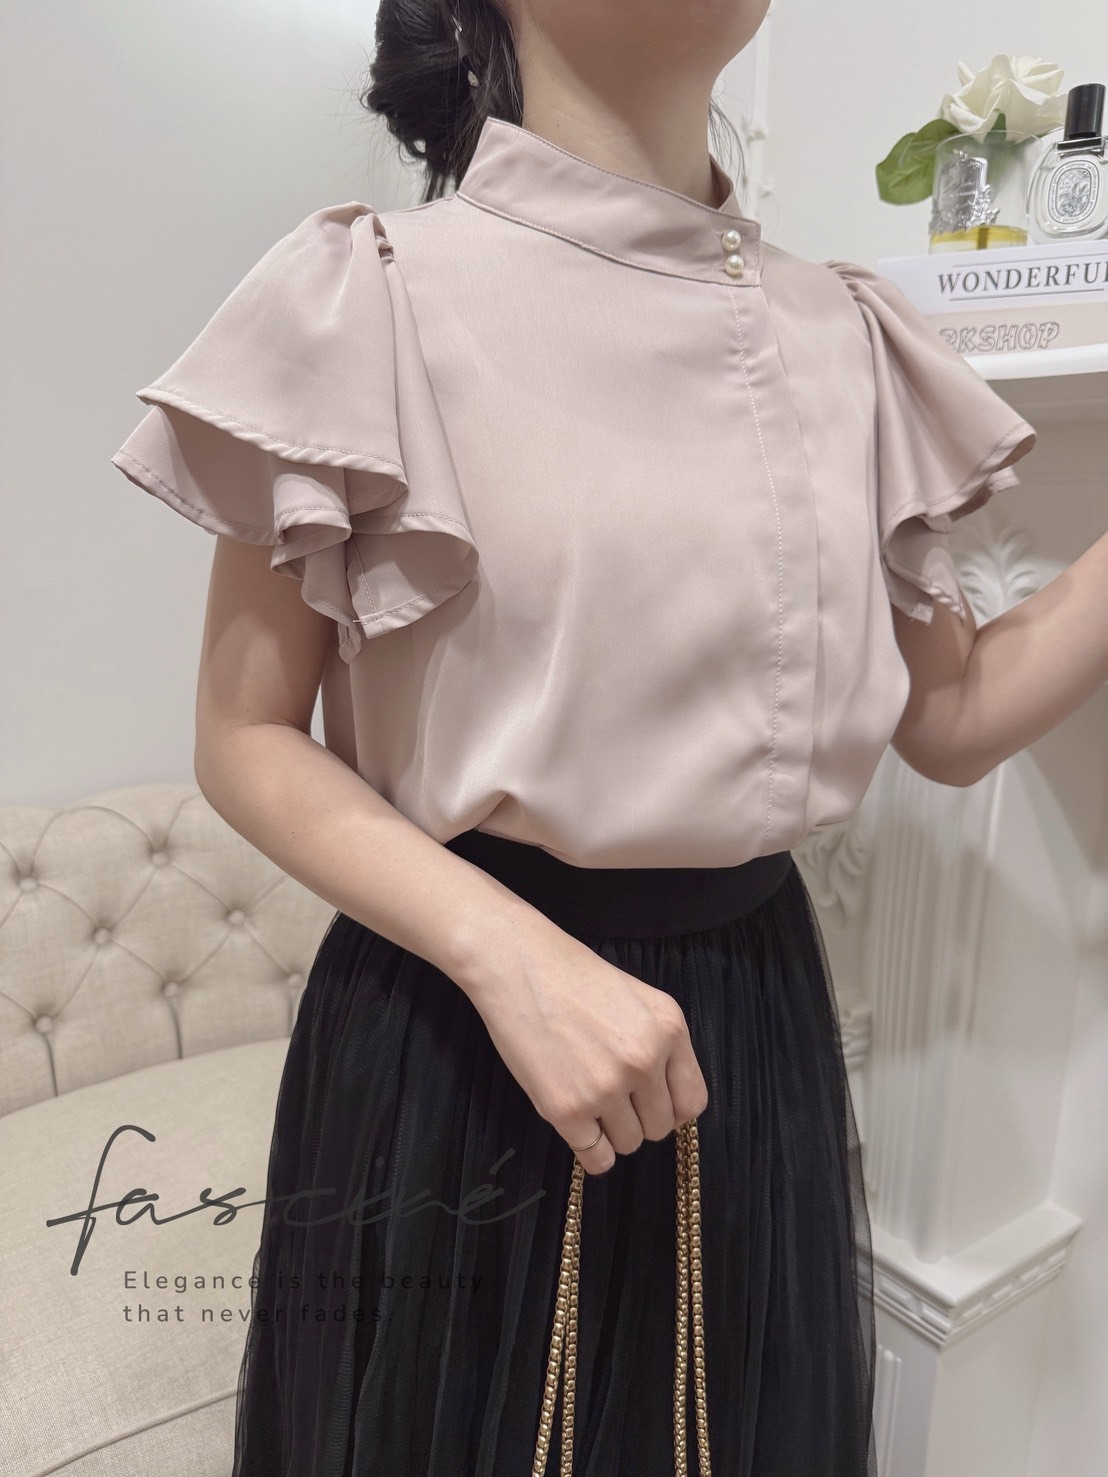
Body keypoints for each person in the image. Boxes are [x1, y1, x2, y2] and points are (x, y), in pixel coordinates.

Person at [109, 2, 1108, 1473]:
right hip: (458, 1029)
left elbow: (952, 718)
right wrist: (506, 954)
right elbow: (245, 732)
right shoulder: (363, 297)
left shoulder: (850, 333)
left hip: (751, 1023)